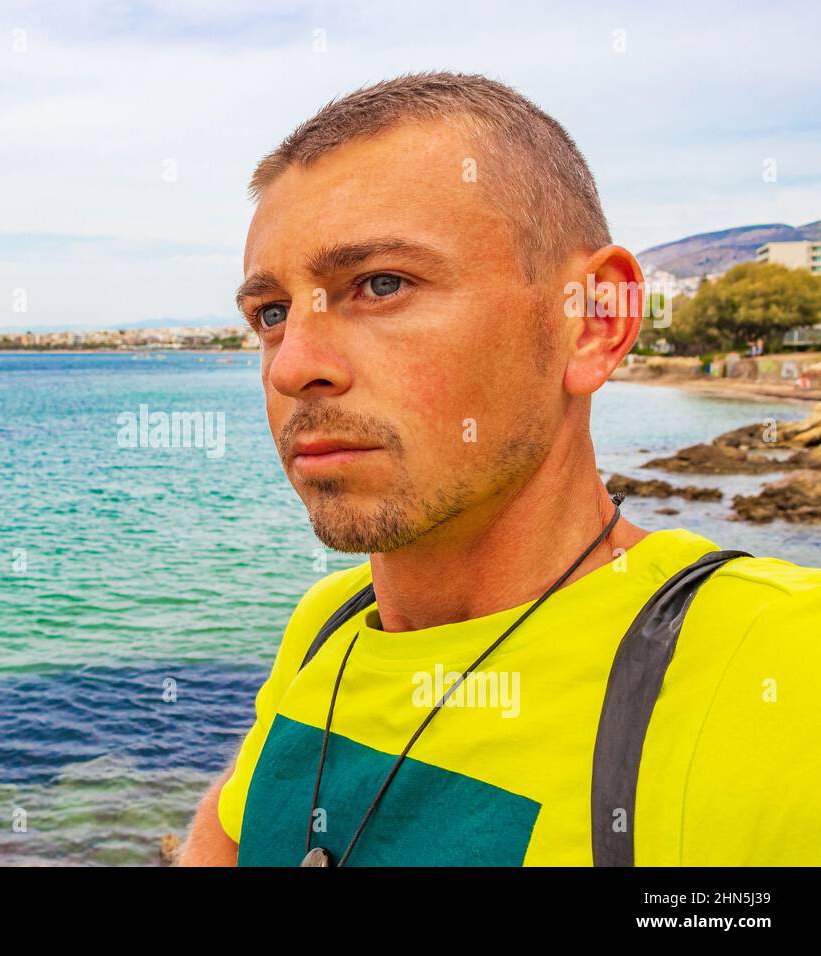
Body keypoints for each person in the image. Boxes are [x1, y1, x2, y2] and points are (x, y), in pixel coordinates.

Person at [177, 72, 821, 867]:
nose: (292, 367)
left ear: (592, 320)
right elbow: (232, 826)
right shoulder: (331, 624)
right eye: (272, 314)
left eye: (381, 285)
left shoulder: (779, 665)